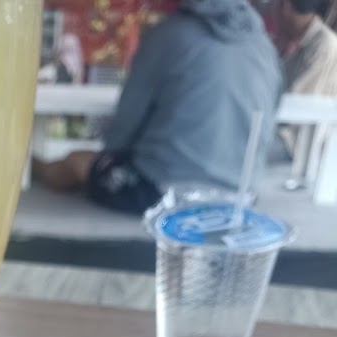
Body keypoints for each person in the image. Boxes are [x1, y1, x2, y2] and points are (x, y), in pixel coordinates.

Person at [33, 0, 282, 214]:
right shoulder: (266, 48)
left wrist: (109, 157)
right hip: (241, 200)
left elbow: (124, 126)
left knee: (77, 162)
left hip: (161, 194)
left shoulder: (168, 35)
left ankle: (31, 168)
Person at [275, 0, 337, 153]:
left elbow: (295, 103)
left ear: (286, 6)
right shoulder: (301, 42)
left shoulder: (324, 45)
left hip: (293, 146)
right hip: (286, 138)